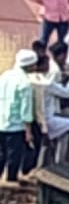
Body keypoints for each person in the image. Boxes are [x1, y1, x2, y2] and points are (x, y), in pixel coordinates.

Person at [0, 51, 36, 184]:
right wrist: (28, 131)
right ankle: (11, 180)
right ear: (30, 65)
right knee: (13, 156)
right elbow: (25, 110)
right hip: (15, 126)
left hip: (1, 121)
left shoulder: (5, 76)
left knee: (1, 154)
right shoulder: (25, 83)